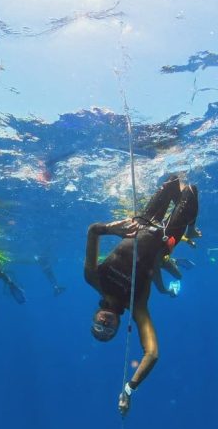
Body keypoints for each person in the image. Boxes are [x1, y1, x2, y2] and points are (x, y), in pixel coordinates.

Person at [84, 175, 199, 415]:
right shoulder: (136, 305)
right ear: (118, 327)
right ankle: (185, 234)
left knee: (172, 182)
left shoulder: (94, 279)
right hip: (165, 238)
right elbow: (152, 353)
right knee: (190, 190)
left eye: (98, 326)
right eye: (108, 330)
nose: (104, 324)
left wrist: (110, 229)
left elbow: (92, 231)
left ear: (95, 316)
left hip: (143, 221)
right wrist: (128, 389)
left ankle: (185, 235)